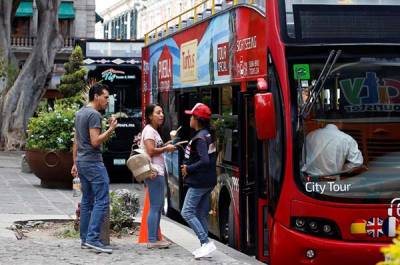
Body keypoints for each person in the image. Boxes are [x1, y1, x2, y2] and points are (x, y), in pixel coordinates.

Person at [71, 83, 117, 254]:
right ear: (96, 96)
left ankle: (85, 239)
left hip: (82, 161)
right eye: (106, 97)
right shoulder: (93, 114)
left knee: (87, 201)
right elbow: (95, 141)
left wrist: (75, 162)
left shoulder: (80, 113)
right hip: (93, 162)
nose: (107, 100)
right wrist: (111, 129)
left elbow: (75, 140)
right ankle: (92, 238)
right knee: (102, 200)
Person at [180, 103, 217, 259]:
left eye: (191, 116)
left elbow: (204, 161)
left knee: (187, 212)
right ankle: (205, 246)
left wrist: (188, 169)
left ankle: (205, 242)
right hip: (208, 180)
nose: (189, 119)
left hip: (199, 181)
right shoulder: (207, 134)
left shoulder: (200, 138)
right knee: (201, 213)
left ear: (197, 119)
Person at [141, 104, 176, 249]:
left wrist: (167, 144)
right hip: (154, 172)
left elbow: (156, 148)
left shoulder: (153, 131)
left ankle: (155, 238)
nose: (161, 115)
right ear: (150, 116)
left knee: (157, 206)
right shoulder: (149, 131)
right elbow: (151, 150)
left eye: (162, 112)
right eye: (158, 112)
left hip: (157, 171)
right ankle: (152, 239)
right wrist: (166, 148)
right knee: (155, 207)